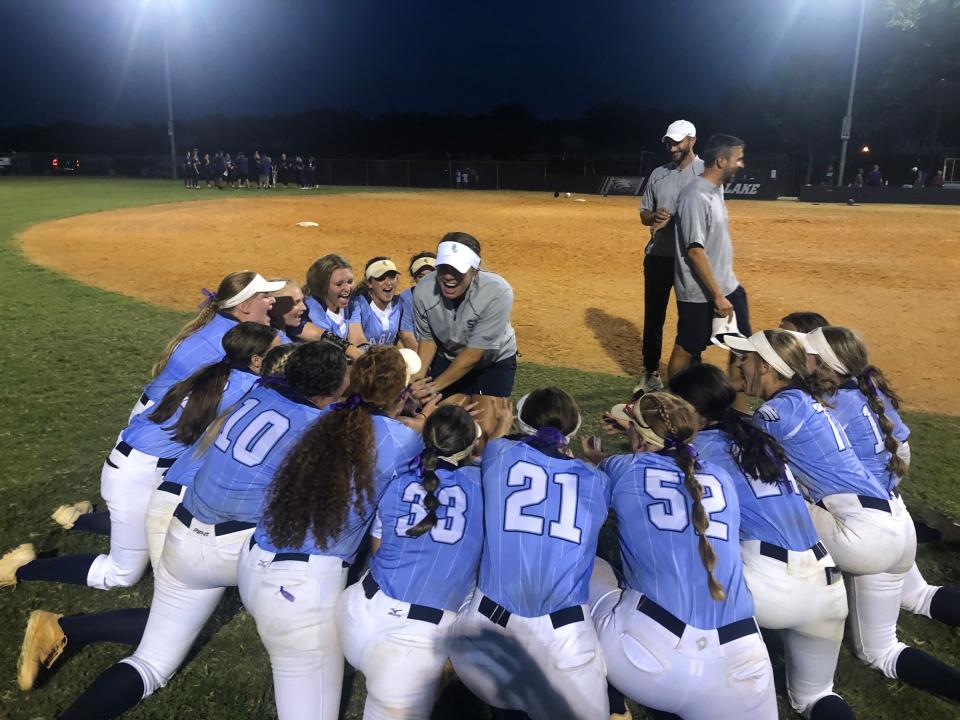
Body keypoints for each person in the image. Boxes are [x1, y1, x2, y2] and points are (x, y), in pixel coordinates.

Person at [54, 342, 350, 719]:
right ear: (336, 383)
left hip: (181, 529)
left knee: (151, 663)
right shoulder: (321, 428)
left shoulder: (256, 394)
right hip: (236, 548)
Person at [13, 324, 278, 690]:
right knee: (124, 575)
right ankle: (27, 577)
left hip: (140, 466)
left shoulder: (215, 372)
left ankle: (77, 523)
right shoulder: (247, 389)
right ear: (255, 360)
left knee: (166, 580)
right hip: (141, 476)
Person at [238, 346, 424, 720]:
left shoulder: (324, 419)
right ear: (402, 394)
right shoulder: (405, 441)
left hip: (254, 564)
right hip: (300, 594)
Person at [668, 364, 854, 720]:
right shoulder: (758, 437)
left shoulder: (694, 450)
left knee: (680, 559)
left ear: (690, 410)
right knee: (816, 697)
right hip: (828, 584)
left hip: (767, 586)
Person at [586, 391, 777, 720]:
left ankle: (611, 702)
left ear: (641, 440)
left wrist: (595, 457)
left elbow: (599, 477)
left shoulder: (624, 468)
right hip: (745, 663)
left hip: (647, 660)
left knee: (590, 566)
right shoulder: (721, 478)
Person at [807, 326, 960, 701]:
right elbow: (902, 446)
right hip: (898, 515)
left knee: (879, 650)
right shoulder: (864, 387)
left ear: (826, 364)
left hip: (868, 530)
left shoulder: (820, 408)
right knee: (919, 596)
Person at [448, 388, 611, 720]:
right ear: (573, 428)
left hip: (488, 636)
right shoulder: (597, 481)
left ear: (521, 424)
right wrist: (595, 462)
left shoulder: (499, 454)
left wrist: (502, 425)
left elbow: (496, 443)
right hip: (565, 644)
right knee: (601, 569)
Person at [337, 404, 485, 720]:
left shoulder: (401, 479)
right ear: (469, 446)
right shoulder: (484, 489)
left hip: (357, 616)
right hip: (413, 643)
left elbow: (378, 548)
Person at [130, 271, 282, 421]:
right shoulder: (232, 338)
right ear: (245, 307)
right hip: (163, 416)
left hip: (156, 408)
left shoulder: (217, 321)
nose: (273, 300)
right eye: (266, 296)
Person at [411, 232, 516, 436]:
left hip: (492, 362)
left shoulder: (497, 291)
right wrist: (418, 378)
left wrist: (434, 387)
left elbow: (474, 354)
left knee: (484, 430)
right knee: (441, 423)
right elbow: (428, 338)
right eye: (443, 268)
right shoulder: (423, 290)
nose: (448, 276)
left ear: (474, 268)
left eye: (457, 269)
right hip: (449, 356)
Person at [669, 134, 751, 379]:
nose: (741, 164)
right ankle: (673, 405)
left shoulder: (716, 189)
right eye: (738, 159)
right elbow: (694, 251)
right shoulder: (695, 195)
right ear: (721, 160)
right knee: (687, 348)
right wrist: (717, 296)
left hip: (727, 285)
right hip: (700, 292)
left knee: (742, 347)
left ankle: (737, 408)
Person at [636, 119, 704, 393]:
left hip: (691, 260)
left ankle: (692, 375)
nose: (672, 147)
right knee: (654, 317)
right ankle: (651, 372)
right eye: (668, 142)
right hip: (658, 257)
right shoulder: (658, 174)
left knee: (691, 318)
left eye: (677, 142)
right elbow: (643, 214)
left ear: (692, 141)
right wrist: (655, 215)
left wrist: (675, 218)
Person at [302, 254, 366, 358]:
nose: (347, 289)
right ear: (323, 287)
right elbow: (330, 351)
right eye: (339, 284)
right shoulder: (312, 310)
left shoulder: (351, 302)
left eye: (350, 282)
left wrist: (368, 354)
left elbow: (357, 339)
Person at [353, 257, 417, 349]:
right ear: (369, 283)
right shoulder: (359, 306)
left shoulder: (400, 304)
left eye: (392, 277)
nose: (388, 283)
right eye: (381, 278)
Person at [399, 251, 436, 340]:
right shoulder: (406, 299)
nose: (426, 281)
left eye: (431, 275)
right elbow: (407, 336)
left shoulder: (450, 295)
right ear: (414, 278)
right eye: (421, 276)